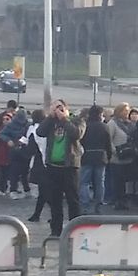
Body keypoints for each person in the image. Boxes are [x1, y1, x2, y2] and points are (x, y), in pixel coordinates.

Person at [36, 100, 84, 237]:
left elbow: (77, 134)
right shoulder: (51, 123)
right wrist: (50, 117)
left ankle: (75, 228)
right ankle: (56, 229)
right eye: (55, 107)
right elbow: (40, 132)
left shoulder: (76, 121)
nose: (57, 110)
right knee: (55, 200)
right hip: (53, 166)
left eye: (60, 107)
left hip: (69, 167)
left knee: (72, 199)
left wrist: (65, 119)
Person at [79, 105, 111, 215]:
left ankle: (85, 205)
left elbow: (80, 142)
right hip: (100, 156)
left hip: (86, 155)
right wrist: (109, 157)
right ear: (100, 115)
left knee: (84, 182)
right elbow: (108, 144)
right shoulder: (104, 127)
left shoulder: (85, 125)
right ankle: (98, 205)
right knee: (100, 182)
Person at [107, 103, 136, 211]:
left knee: (125, 181)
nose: (127, 113)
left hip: (128, 157)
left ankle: (124, 201)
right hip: (117, 158)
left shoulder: (130, 124)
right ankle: (117, 201)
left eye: (128, 110)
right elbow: (108, 139)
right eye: (125, 110)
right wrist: (115, 151)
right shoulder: (112, 124)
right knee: (117, 181)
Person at [0, 108, 30, 198]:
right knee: (14, 172)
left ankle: (26, 189)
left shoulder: (28, 124)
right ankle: (13, 189)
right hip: (15, 151)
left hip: (25, 150)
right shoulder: (11, 125)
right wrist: (8, 140)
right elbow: (2, 134)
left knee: (25, 171)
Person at [26, 109, 48, 222]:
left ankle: (37, 214)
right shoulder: (49, 128)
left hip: (40, 162)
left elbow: (30, 150)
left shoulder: (34, 131)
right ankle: (38, 214)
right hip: (51, 162)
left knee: (44, 191)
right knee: (48, 191)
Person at [0, 112, 12, 196]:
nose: (5, 121)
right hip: (1, 154)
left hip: (9, 154)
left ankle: (6, 187)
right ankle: (0, 188)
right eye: (3, 119)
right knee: (1, 173)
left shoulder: (13, 130)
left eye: (7, 119)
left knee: (8, 173)